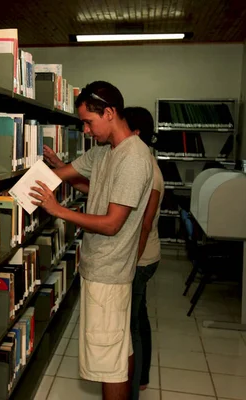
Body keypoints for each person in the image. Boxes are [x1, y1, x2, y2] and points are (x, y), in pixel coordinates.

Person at [30, 81, 153, 400]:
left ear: (110, 113)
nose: (85, 129)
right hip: (101, 269)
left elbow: (112, 224)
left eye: (88, 121)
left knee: (107, 363)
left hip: (109, 276)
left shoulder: (134, 158)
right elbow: (66, 174)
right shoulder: (104, 152)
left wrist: (57, 210)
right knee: (117, 349)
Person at [122, 107, 164, 400]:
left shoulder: (147, 169)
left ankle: (132, 390)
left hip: (141, 258)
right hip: (146, 256)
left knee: (131, 327)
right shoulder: (143, 162)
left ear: (135, 134)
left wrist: (130, 265)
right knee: (141, 317)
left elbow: (145, 224)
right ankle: (144, 377)